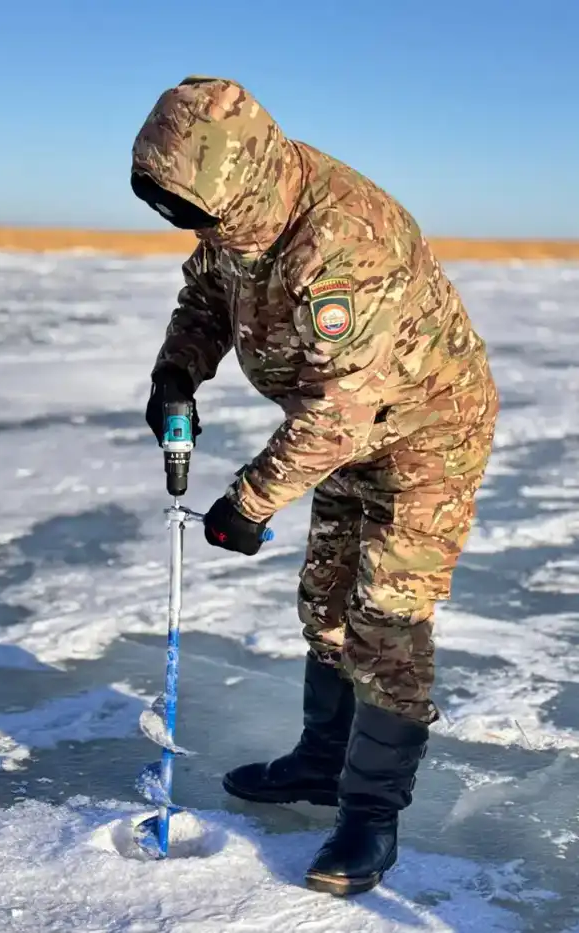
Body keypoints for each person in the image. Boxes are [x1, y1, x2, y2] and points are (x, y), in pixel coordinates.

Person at [130, 75, 498, 896]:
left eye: (197, 210)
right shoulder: (239, 212)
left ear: (244, 174)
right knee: (325, 600)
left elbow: (343, 409)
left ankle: (370, 815)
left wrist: (249, 502)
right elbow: (206, 297)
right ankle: (321, 760)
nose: (197, 228)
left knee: (388, 615)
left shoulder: (342, 243)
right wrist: (175, 375)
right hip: (338, 432)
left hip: (422, 435)